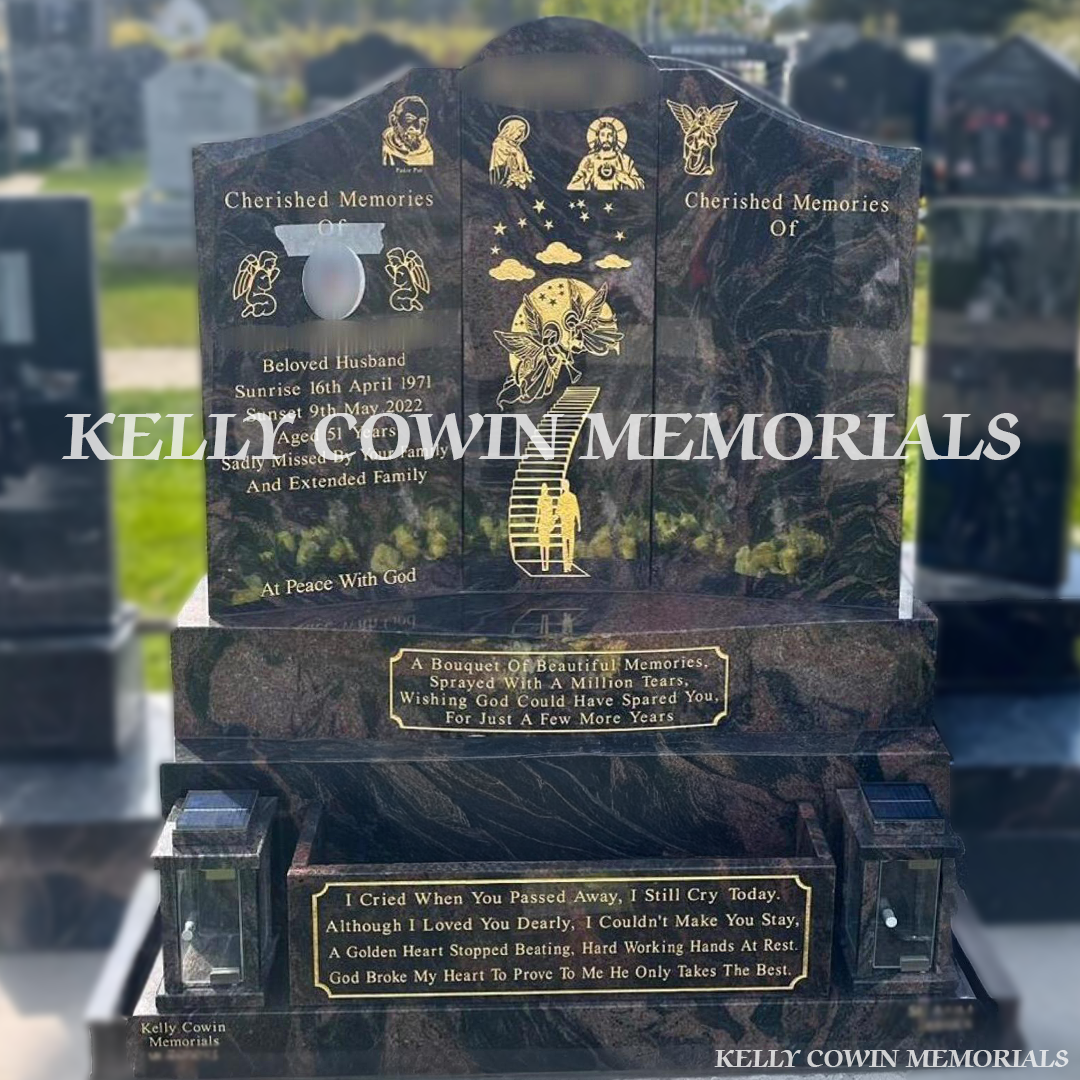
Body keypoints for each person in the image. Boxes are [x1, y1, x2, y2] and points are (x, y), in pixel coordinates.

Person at [567, 116, 644, 192]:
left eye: (610, 135)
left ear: (615, 138)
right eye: (603, 135)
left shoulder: (625, 161)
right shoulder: (589, 160)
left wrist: (626, 179)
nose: (606, 139)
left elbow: (641, 187)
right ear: (598, 138)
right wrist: (586, 177)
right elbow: (572, 187)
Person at [382, 95, 433, 167]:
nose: (417, 128)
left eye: (423, 122)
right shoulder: (379, 150)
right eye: (410, 119)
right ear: (393, 120)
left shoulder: (429, 153)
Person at [489, 116, 534, 189]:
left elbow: (521, 156)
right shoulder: (499, 142)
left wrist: (525, 170)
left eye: (522, 132)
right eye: (519, 131)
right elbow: (515, 154)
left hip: (512, 173)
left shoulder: (514, 145)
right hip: (501, 171)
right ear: (512, 129)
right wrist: (521, 170)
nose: (520, 134)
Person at [556, 479, 581, 573]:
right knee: (566, 545)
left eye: (564, 485)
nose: (564, 487)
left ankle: (569, 565)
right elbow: (558, 511)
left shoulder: (572, 497)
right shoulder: (561, 498)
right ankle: (566, 565)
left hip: (570, 523)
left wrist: (579, 524)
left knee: (569, 545)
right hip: (565, 524)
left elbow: (576, 510)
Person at [535, 482, 556, 572]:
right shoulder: (540, 499)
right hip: (542, 523)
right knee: (542, 545)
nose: (544, 490)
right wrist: (536, 525)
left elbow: (551, 511)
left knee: (546, 545)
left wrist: (552, 523)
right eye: (543, 489)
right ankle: (543, 562)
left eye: (545, 488)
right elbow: (538, 513)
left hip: (547, 522)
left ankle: (546, 563)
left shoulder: (550, 499)